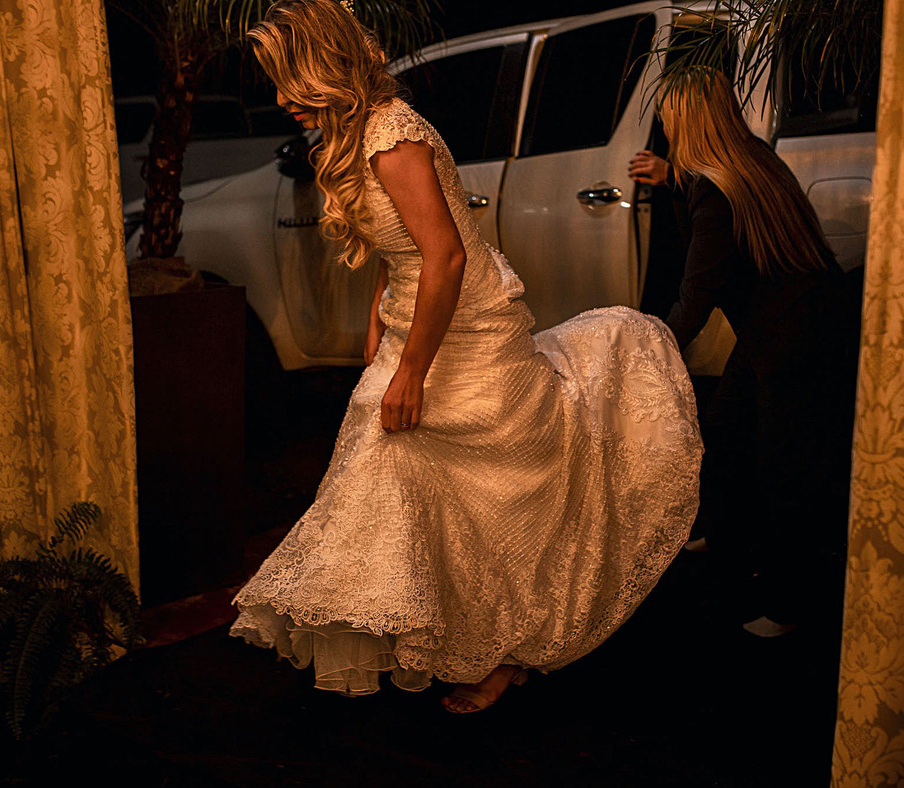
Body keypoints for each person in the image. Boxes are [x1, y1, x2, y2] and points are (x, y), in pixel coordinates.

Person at [230, 0, 704, 713]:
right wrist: (379, 329)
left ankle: (507, 649)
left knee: (493, 494)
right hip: (418, 319)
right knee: (401, 477)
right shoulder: (356, 134)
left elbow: (446, 255)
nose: (279, 99)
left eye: (288, 80)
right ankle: (433, 632)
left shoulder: (392, 133)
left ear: (325, 69)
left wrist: (412, 371)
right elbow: (397, 249)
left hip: (470, 327)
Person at [631, 70, 859, 635]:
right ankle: (726, 531)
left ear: (685, 122)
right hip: (801, 319)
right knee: (728, 424)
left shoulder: (715, 193)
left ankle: (787, 606)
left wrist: (642, 352)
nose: (664, 127)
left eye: (667, 118)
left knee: (788, 471)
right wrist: (671, 178)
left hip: (793, 339)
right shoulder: (749, 161)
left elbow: (696, 297)